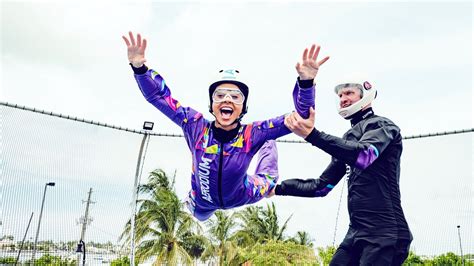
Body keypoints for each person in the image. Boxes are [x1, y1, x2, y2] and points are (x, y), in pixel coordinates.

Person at [122, 31, 329, 221]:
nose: (227, 100)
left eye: (235, 97)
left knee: (268, 175)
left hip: (243, 193)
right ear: (212, 104)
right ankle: (266, 139)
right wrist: (140, 69)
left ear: (243, 107)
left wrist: (306, 83)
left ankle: (268, 142)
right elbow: (158, 96)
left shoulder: (251, 133)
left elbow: (302, 116)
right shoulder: (195, 126)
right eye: (220, 96)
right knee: (199, 217)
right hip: (201, 201)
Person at [272, 81, 413, 265]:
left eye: (349, 93)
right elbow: (320, 187)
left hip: (385, 233)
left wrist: (312, 135)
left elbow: (364, 155)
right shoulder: (348, 139)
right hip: (356, 232)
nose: (343, 99)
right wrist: (276, 189)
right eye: (340, 96)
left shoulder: (383, 126)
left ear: (366, 95)